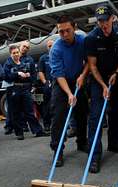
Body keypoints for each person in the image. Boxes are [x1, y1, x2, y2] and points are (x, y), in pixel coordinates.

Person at [85, 4, 118, 173]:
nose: (103, 24)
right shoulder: (91, 38)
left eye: (105, 20)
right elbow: (92, 66)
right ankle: (94, 157)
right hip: (98, 80)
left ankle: (114, 143)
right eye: (99, 21)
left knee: (117, 113)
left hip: (115, 77)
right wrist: (103, 85)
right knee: (96, 117)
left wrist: (117, 73)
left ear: (113, 19)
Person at [49, 15, 89, 167]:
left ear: (74, 28)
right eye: (61, 32)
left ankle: (82, 142)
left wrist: (83, 75)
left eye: (68, 30)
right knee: (58, 116)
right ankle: (57, 150)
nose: (65, 35)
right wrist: (69, 94)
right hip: (61, 83)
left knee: (82, 112)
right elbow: (58, 74)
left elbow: (89, 61)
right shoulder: (56, 49)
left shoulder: (82, 41)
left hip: (78, 79)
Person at [4, 45, 45, 140]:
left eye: (17, 52)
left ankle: (38, 131)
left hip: (25, 89)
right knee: (16, 112)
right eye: (13, 53)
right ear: (10, 54)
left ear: (19, 53)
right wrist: (17, 73)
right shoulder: (8, 63)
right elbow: (6, 76)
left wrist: (27, 75)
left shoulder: (24, 62)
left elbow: (32, 74)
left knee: (29, 111)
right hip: (14, 89)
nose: (16, 54)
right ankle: (19, 133)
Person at [38, 39, 54, 133]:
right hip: (48, 84)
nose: (51, 47)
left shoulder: (59, 55)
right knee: (47, 106)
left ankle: (63, 124)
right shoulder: (43, 58)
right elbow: (40, 71)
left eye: (52, 45)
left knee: (60, 104)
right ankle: (47, 125)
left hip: (59, 83)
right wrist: (45, 82)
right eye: (49, 46)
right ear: (47, 47)